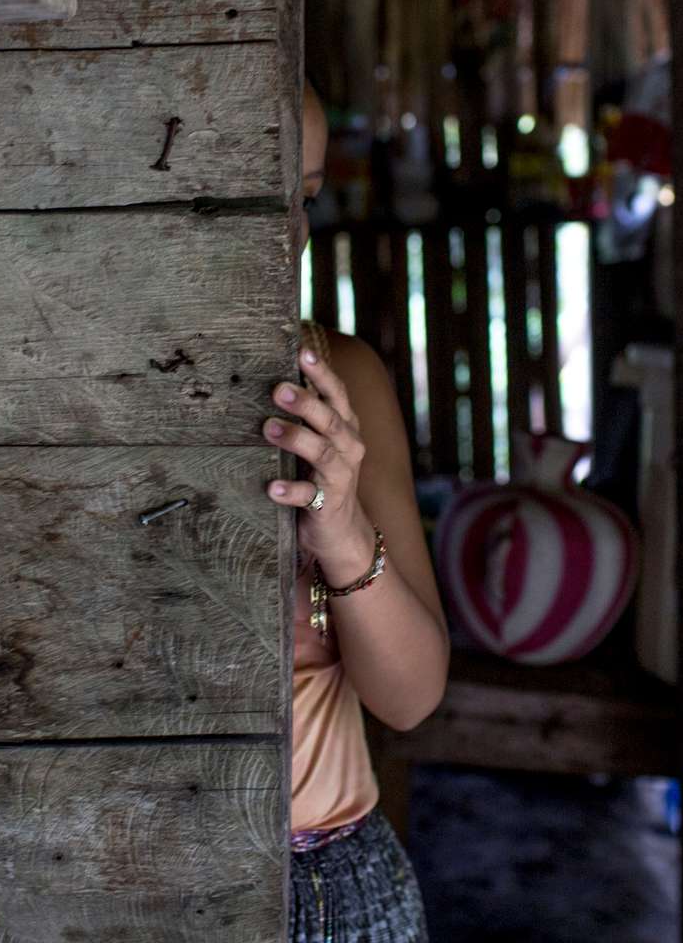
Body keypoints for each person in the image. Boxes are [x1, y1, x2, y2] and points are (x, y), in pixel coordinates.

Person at [265, 83, 450, 942]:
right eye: (255, 190)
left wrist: (339, 536)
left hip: (327, 891)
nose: (289, 232)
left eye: (301, 197)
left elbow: (411, 699)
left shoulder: (338, 382)